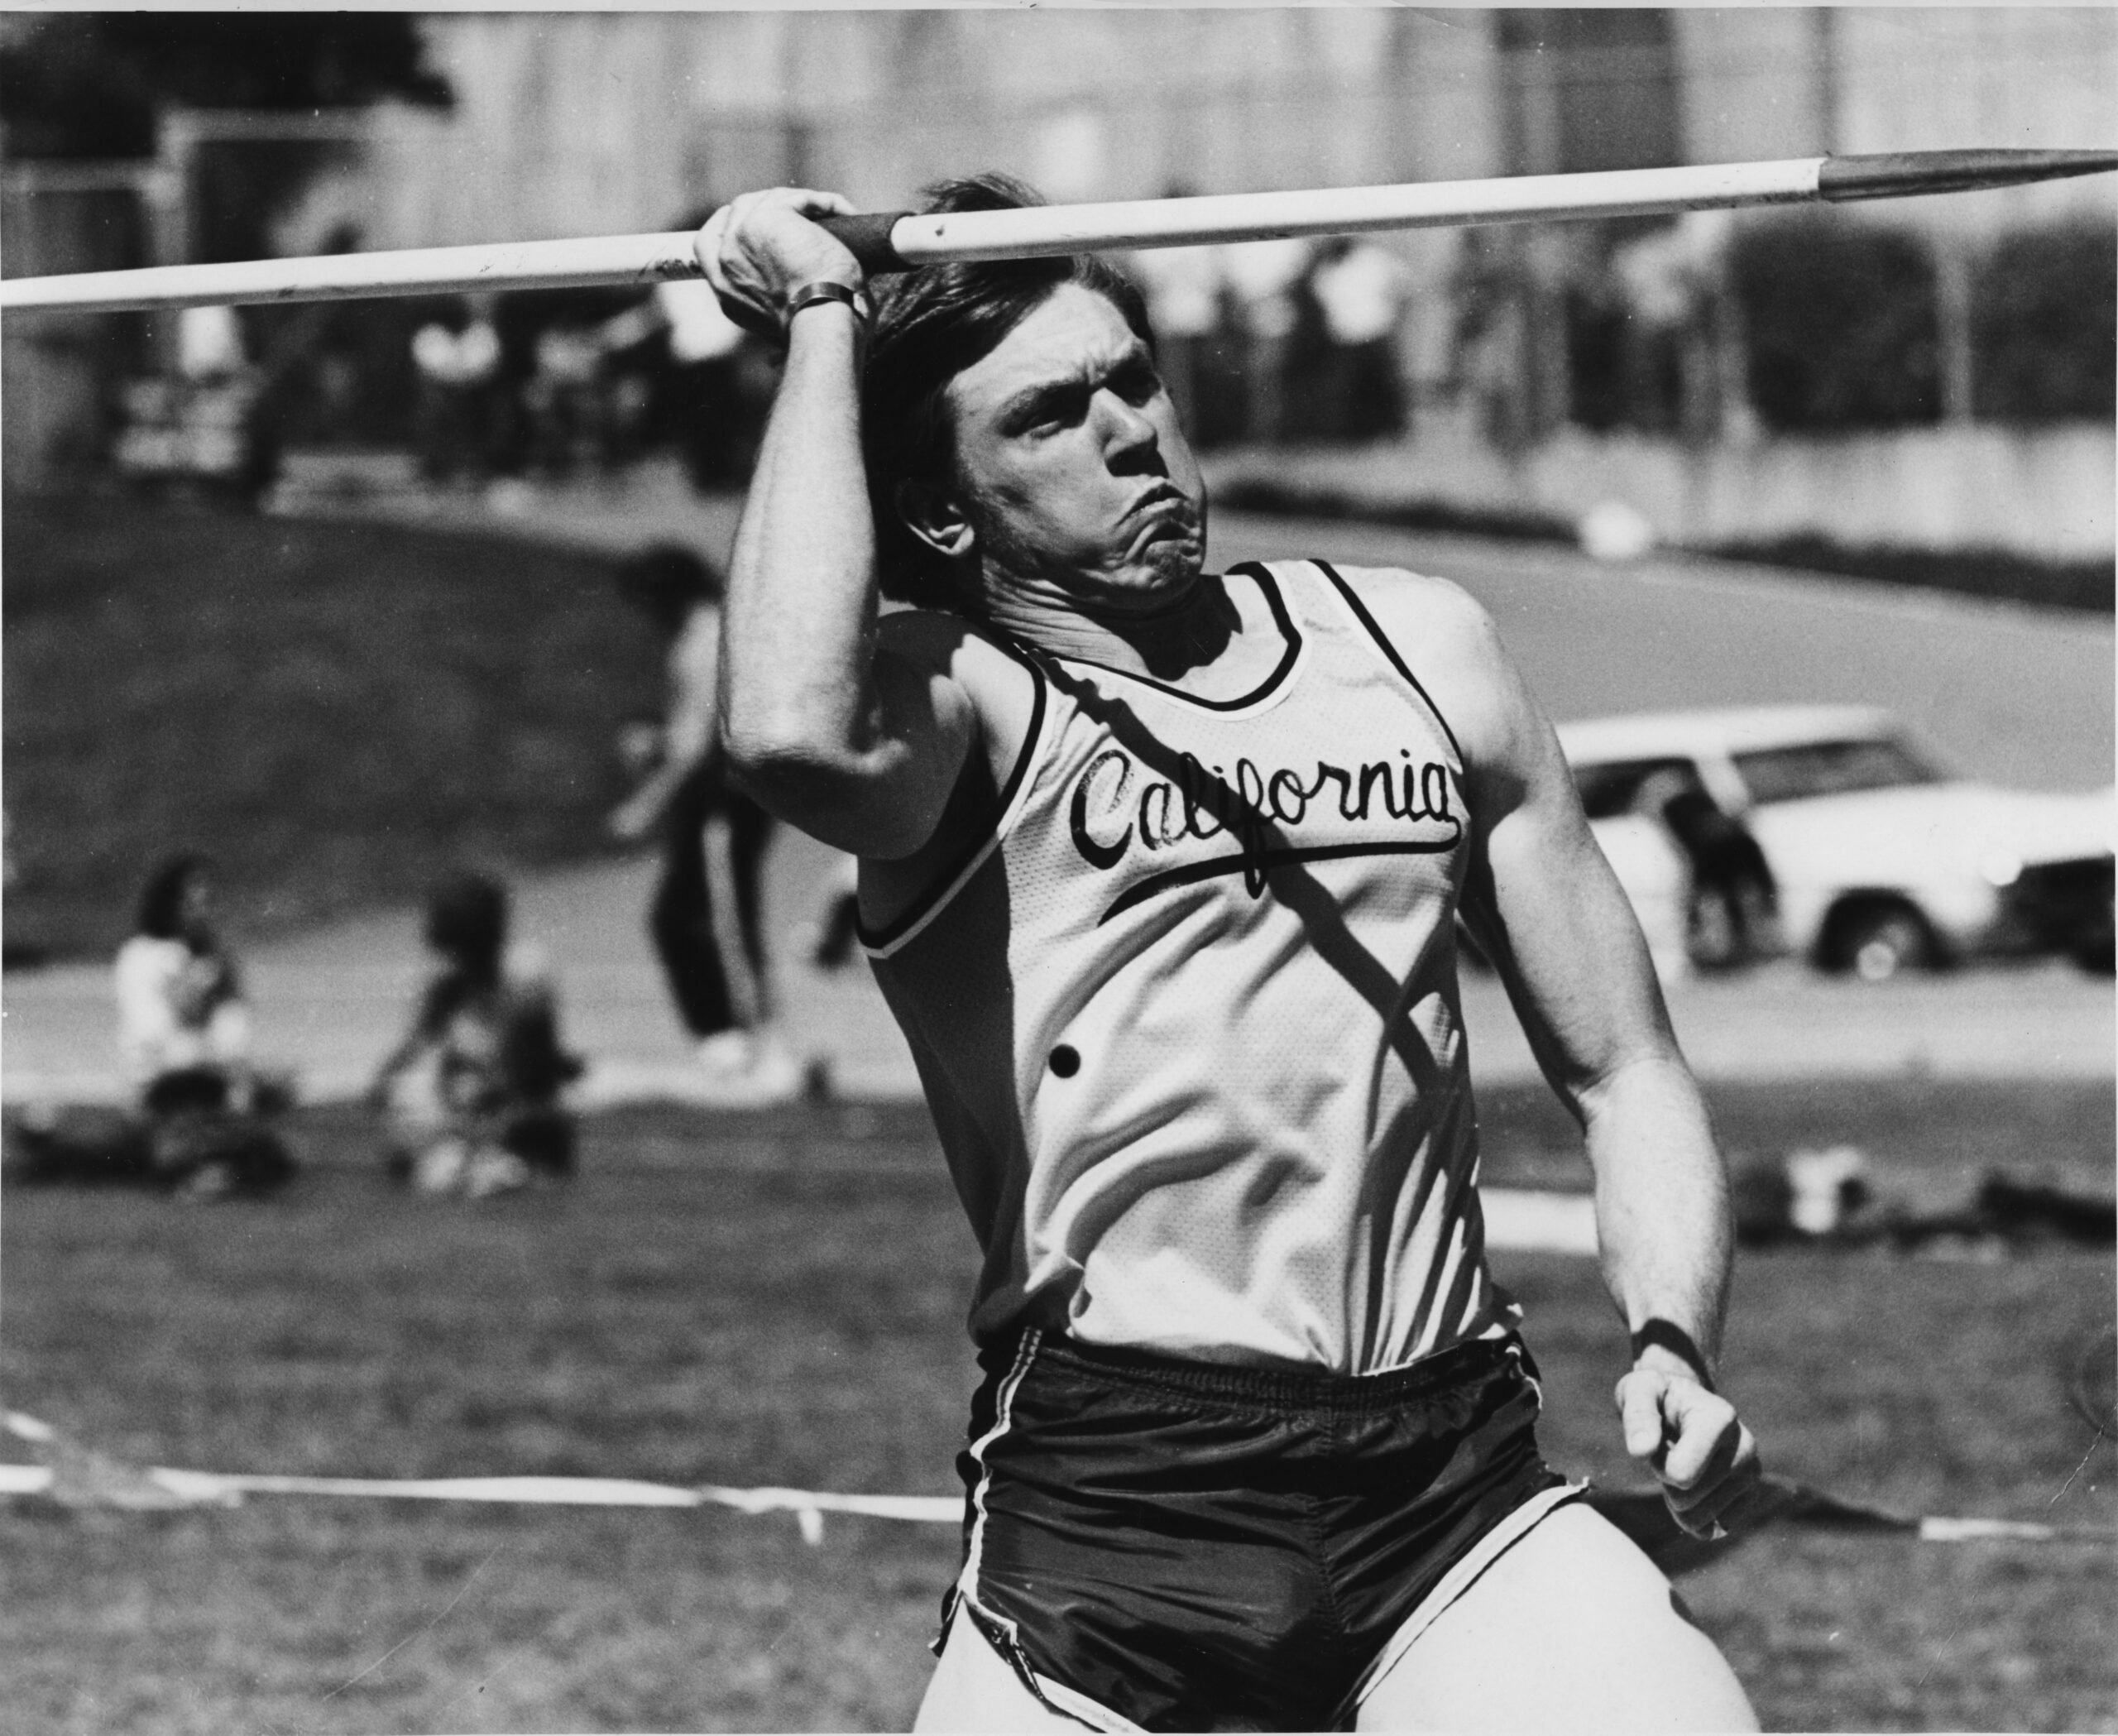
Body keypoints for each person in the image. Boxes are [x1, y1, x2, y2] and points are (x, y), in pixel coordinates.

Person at [697, 174, 1766, 1733]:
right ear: (941, 507)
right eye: (1048, 417)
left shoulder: (1419, 646)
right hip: (1122, 1511)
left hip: (1445, 1473)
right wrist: (817, 316)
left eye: (1134, 378)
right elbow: (788, 727)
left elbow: (1623, 1064)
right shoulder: (966, 711)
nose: (1128, 428)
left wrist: (1675, 1336)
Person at [609, 544, 803, 1099]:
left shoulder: (703, 640)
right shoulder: (704, 637)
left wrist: (646, 804)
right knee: (681, 919)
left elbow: (699, 743)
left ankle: (766, 1048)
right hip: (717, 799)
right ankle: (728, 1042)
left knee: (725, 923)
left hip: (726, 801)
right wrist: (654, 742)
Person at [368, 870, 582, 1196]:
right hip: (478, 1110)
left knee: (461, 1117)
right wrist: (388, 1082)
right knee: (414, 1109)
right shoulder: (447, 987)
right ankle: (471, 1162)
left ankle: (483, 1163)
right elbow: (410, 1054)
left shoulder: (524, 978)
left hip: (518, 1112)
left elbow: (526, 1071)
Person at [112, 852, 293, 1196]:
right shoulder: (141, 955)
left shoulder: (215, 960)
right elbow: (154, 1035)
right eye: (192, 902)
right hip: (162, 1085)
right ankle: (197, 1163)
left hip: (210, 1084)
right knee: (197, 1125)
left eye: (209, 902)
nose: (203, 912)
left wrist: (251, 1076)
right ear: (169, 904)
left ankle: (211, 1163)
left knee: (264, 1151)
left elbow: (233, 1035)